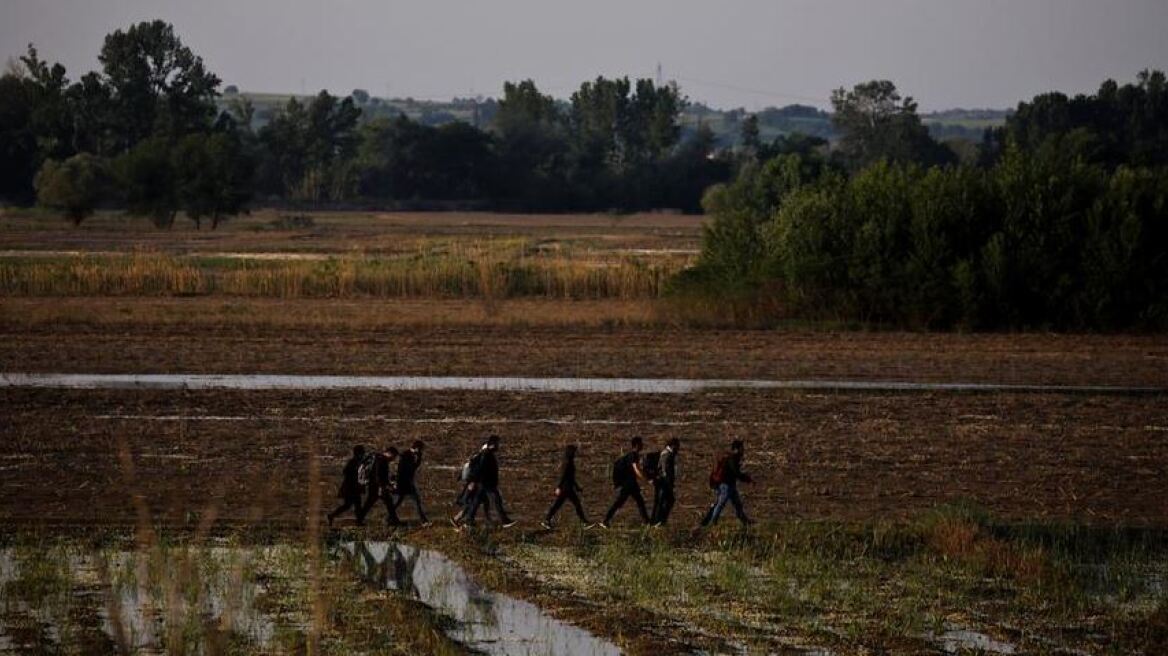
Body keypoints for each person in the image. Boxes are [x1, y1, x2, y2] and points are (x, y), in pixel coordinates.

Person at [461, 435, 516, 527]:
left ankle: (469, 520)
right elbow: (480, 469)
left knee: (476, 502)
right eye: (497, 444)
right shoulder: (486, 455)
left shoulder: (487, 454)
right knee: (496, 501)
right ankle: (504, 521)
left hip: (485, 483)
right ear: (493, 444)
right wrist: (473, 481)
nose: (498, 446)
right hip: (487, 484)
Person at [700, 439, 754, 527]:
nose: (743, 450)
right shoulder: (732, 459)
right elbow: (736, 472)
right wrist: (748, 479)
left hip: (730, 485)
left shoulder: (733, 458)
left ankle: (745, 521)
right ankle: (712, 522)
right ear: (737, 449)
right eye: (741, 448)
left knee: (737, 504)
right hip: (726, 485)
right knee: (721, 504)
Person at [600, 437, 650, 528]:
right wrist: (645, 479)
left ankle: (647, 522)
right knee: (621, 502)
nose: (642, 446)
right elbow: (636, 469)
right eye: (641, 444)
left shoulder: (631, 455)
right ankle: (605, 520)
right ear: (636, 445)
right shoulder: (633, 455)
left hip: (630, 483)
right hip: (628, 484)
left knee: (638, 502)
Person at [541, 444, 590, 529]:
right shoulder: (567, 463)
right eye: (574, 451)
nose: (575, 453)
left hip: (568, 488)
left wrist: (577, 487)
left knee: (560, 505)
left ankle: (547, 520)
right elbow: (563, 476)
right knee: (574, 505)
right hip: (566, 488)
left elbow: (571, 477)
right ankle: (584, 522)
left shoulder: (568, 461)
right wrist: (559, 487)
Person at [360, 446, 402, 526]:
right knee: (387, 502)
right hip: (377, 486)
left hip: (376, 486)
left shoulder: (380, 459)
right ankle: (394, 521)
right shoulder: (381, 460)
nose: (393, 459)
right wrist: (381, 487)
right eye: (394, 456)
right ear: (389, 453)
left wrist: (389, 484)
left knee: (371, 503)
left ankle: (394, 520)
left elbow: (382, 476)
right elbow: (378, 475)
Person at [327, 445, 367, 527]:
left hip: (354, 488)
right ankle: (332, 515)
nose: (362, 455)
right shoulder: (354, 462)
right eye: (361, 453)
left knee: (354, 505)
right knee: (351, 505)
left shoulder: (358, 462)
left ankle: (358, 521)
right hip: (351, 488)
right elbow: (347, 472)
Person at [394, 440, 429, 525]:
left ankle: (424, 520)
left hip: (407, 482)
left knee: (410, 501)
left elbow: (414, 467)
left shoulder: (410, 455)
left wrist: (418, 459)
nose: (421, 451)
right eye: (420, 449)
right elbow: (409, 469)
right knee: (403, 501)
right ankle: (424, 521)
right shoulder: (406, 455)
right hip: (404, 482)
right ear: (417, 448)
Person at [651, 438, 680, 526]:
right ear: (673, 445)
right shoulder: (667, 454)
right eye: (677, 445)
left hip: (663, 482)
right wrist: (669, 482)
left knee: (662, 501)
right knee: (665, 501)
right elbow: (665, 470)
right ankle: (659, 521)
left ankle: (657, 521)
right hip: (664, 482)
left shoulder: (668, 453)